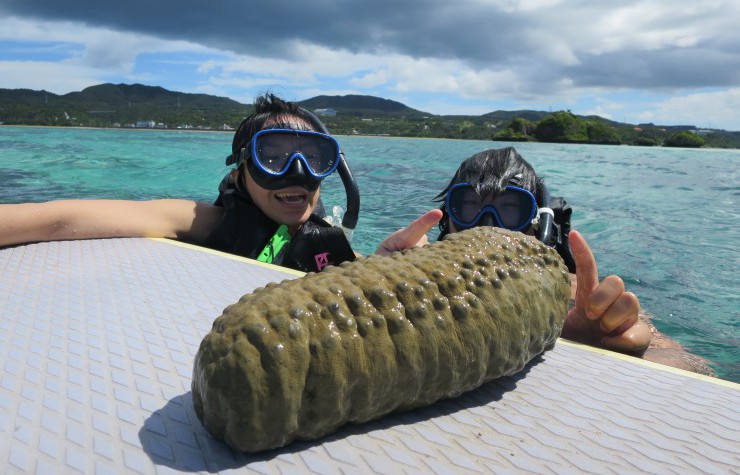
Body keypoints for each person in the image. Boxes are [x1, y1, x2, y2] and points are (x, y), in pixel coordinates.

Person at [0, 94, 418, 271]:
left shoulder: (325, 240)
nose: (297, 173)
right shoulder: (207, 220)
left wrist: (388, 258)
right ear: (239, 172)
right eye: (272, 157)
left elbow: (361, 272)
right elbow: (60, 220)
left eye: (313, 159)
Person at [417, 147, 715, 374]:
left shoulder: (573, 292)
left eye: (509, 210)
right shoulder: (418, 271)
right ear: (448, 218)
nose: (487, 225)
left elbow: (693, 367)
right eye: (469, 206)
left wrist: (604, 344)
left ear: (536, 224)